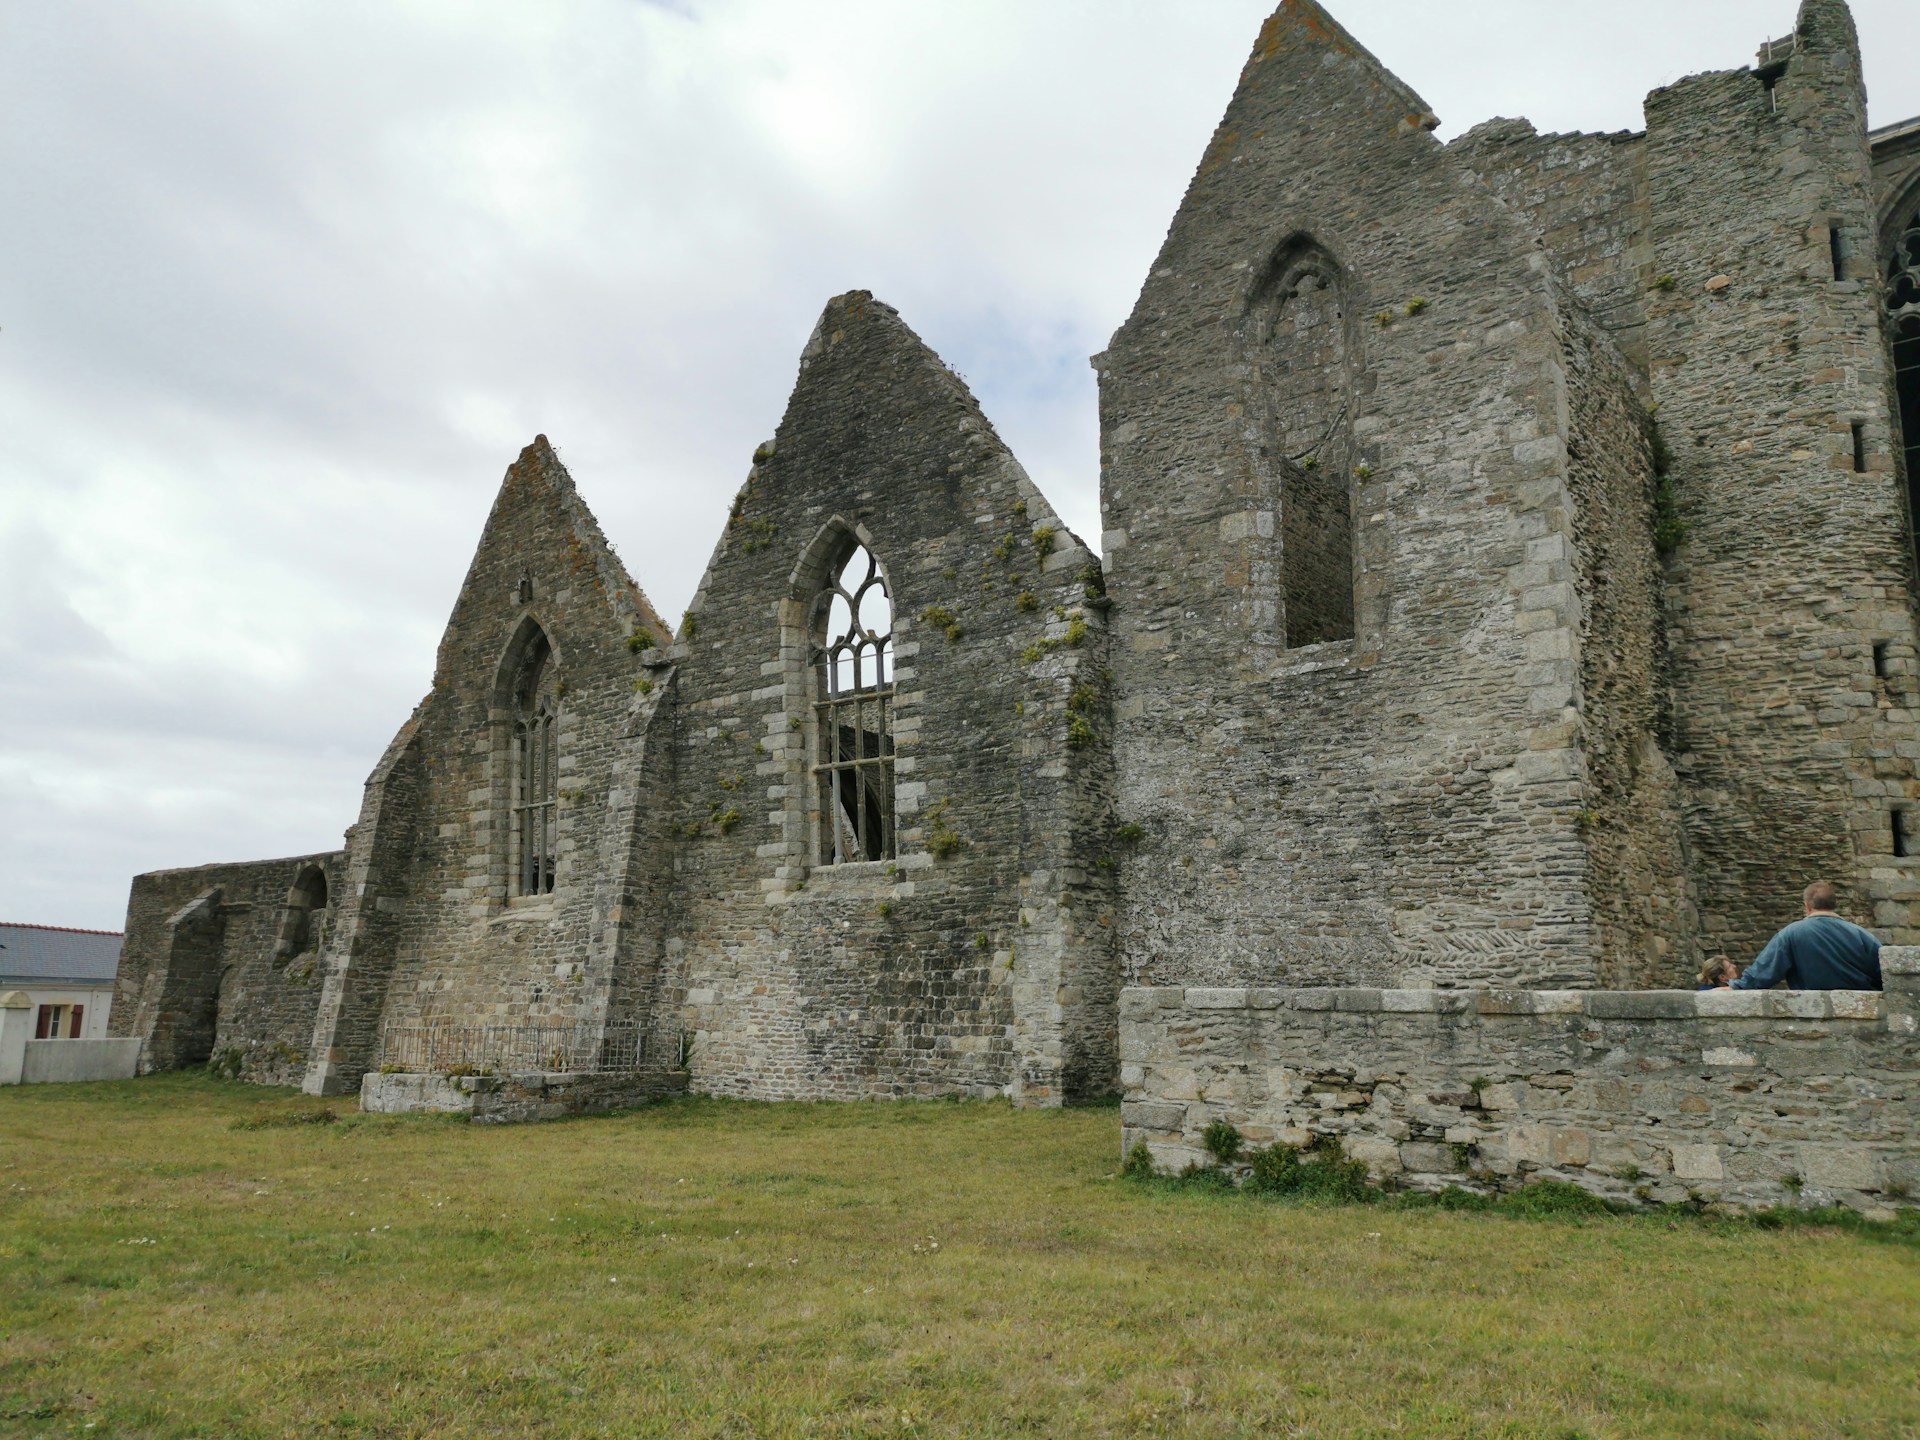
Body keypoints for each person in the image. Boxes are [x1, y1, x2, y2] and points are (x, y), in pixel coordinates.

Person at [1727, 881, 1883, 991]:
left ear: (1807, 906)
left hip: (1813, 1016)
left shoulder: (1791, 933)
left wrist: (1736, 987)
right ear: (1834, 904)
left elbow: (1763, 973)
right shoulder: (1863, 935)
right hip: (1863, 1014)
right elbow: (1884, 974)